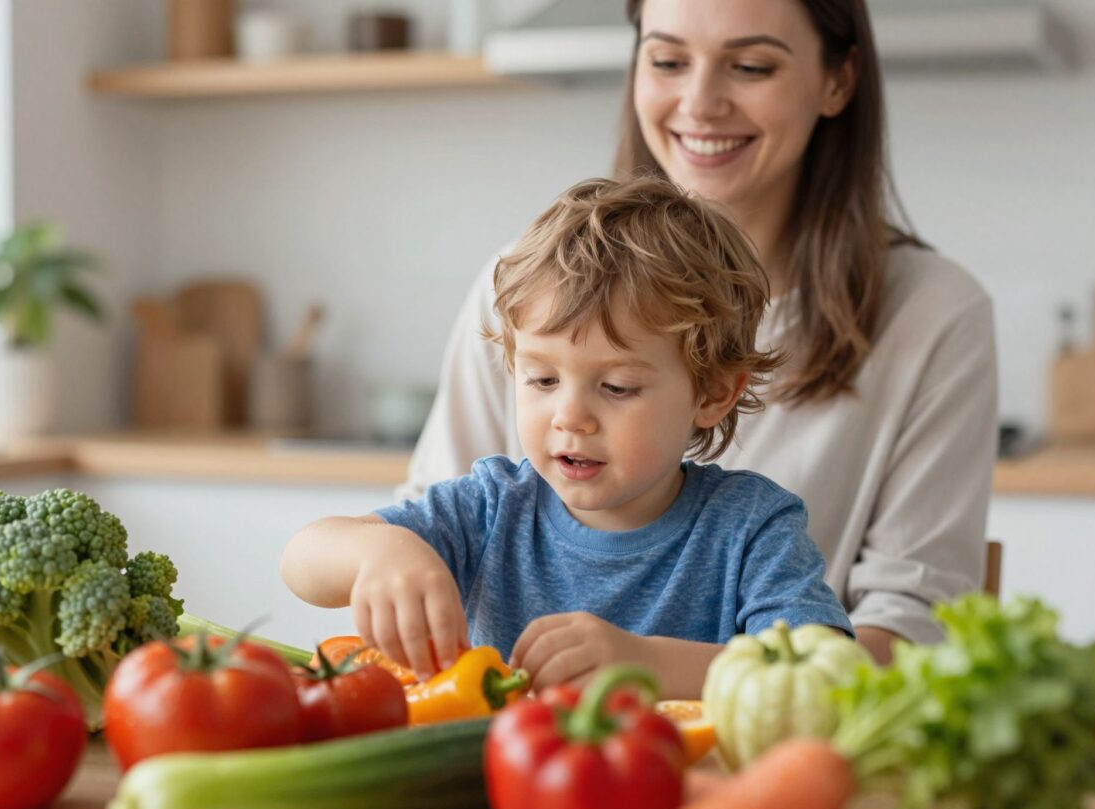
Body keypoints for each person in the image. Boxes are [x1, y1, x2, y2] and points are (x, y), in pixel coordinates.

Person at [403, 0, 997, 664]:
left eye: (750, 65)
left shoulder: (936, 312)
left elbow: (909, 628)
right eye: (667, 60)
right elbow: (417, 543)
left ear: (838, 80)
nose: (701, 101)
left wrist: (671, 669)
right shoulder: (520, 287)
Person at [281, 176, 854, 697]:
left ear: (711, 395)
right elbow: (301, 560)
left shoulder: (752, 528)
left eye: (617, 386)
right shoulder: (490, 508)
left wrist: (648, 663)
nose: (569, 416)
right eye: (543, 379)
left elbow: (828, 673)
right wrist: (380, 550)